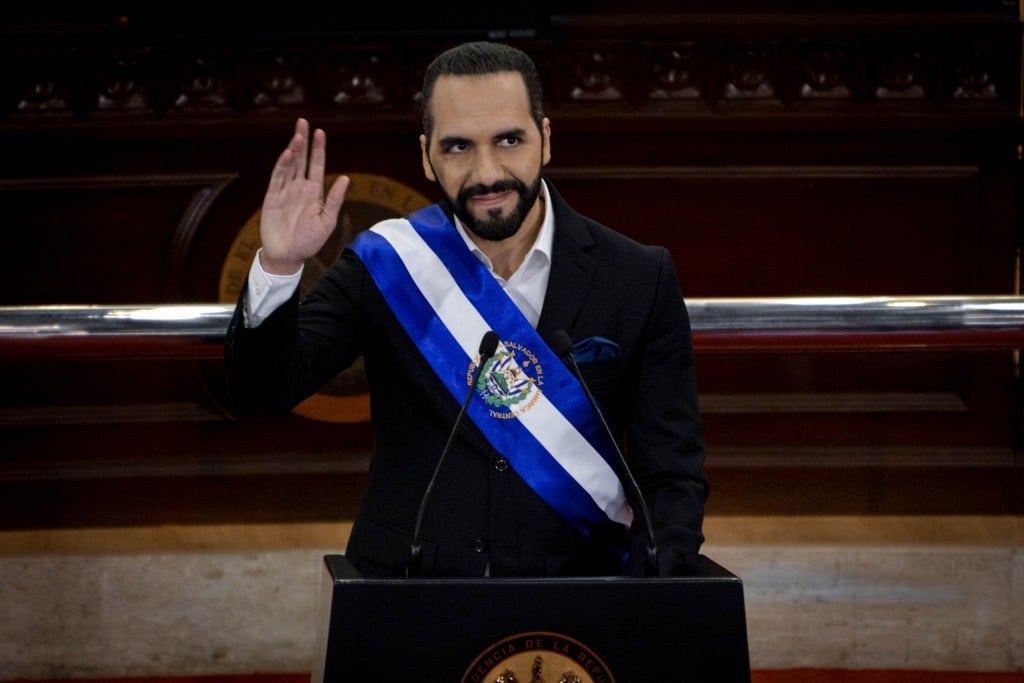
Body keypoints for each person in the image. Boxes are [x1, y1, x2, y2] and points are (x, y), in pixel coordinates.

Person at [224, 40, 708, 578]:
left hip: (576, 596)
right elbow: (265, 389)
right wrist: (282, 264)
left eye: (508, 140)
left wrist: (649, 596)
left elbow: (671, 475)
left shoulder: (638, 276)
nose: (486, 173)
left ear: (545, 140)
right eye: (458, 147)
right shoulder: (388, 264)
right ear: (426, 156)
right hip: (410, 593)